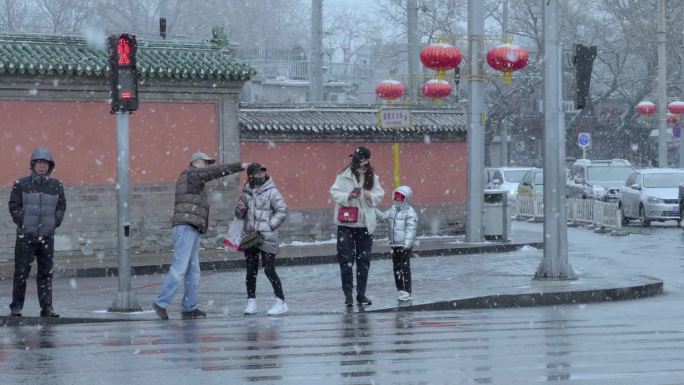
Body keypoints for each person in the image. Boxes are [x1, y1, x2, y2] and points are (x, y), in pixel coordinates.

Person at [153, 152, 246, 320]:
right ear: (195, 163)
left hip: (192, 227)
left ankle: (189, 307)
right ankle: (160, 303)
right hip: (185, 227)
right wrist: (238, 166)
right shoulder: (191, 174)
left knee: (193, 271)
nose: (208, 166)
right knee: (179, 268)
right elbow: (215, 172)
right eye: (205, 163)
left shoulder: (194, 178)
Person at [8, 147, 66, 318]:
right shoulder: (22, 184)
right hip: (26, 236)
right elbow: (13, 206)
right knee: (21, 272)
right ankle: (16, 307)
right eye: (39, 163)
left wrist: (55, 222)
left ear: (50, 166)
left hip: (47, 236)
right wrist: (23, 222)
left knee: (46, 273)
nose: (42, 166)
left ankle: (47, 307)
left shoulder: (56, 186)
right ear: (33, 164)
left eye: (45, 163)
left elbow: (62, 206)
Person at [329, 146, 385, 307]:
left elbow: (379, 194)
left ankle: (361, 294)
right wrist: (348, 195)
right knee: (345, 260)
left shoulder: (373, 177)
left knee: (364, 261)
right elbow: (334, 193)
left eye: (360, 159)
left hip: (365, 225)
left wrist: (369, 196)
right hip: (346, 224)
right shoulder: (343, 176)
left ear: (367, 161)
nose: (356, 162)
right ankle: (348, 295)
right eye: (355, 159)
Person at [235, 163, 289, 315]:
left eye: (262, 173)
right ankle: (251, 302)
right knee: (251, 270)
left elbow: (282, 210)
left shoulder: (272, 191)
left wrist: (269, 225)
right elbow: (239, 215)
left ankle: (281, 301)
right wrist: (239, 209)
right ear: (250, 176)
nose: (261, 176)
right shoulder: (246, 191)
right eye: (257, 173)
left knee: (269, 269)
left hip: (267, 236)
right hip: (250, 236)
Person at [376, 186, 418, 301]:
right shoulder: (393, 210)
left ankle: (407, 291)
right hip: (394, 245)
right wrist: (373, 209)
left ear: (406, 198)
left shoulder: (410, 212)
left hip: (404, 245)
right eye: (396, 197)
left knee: (404, 268)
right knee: (396, 268)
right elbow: (383, 217)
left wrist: (407, 245)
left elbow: (411, 230)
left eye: (400, 198)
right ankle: (400, 290)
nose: (397, 200)